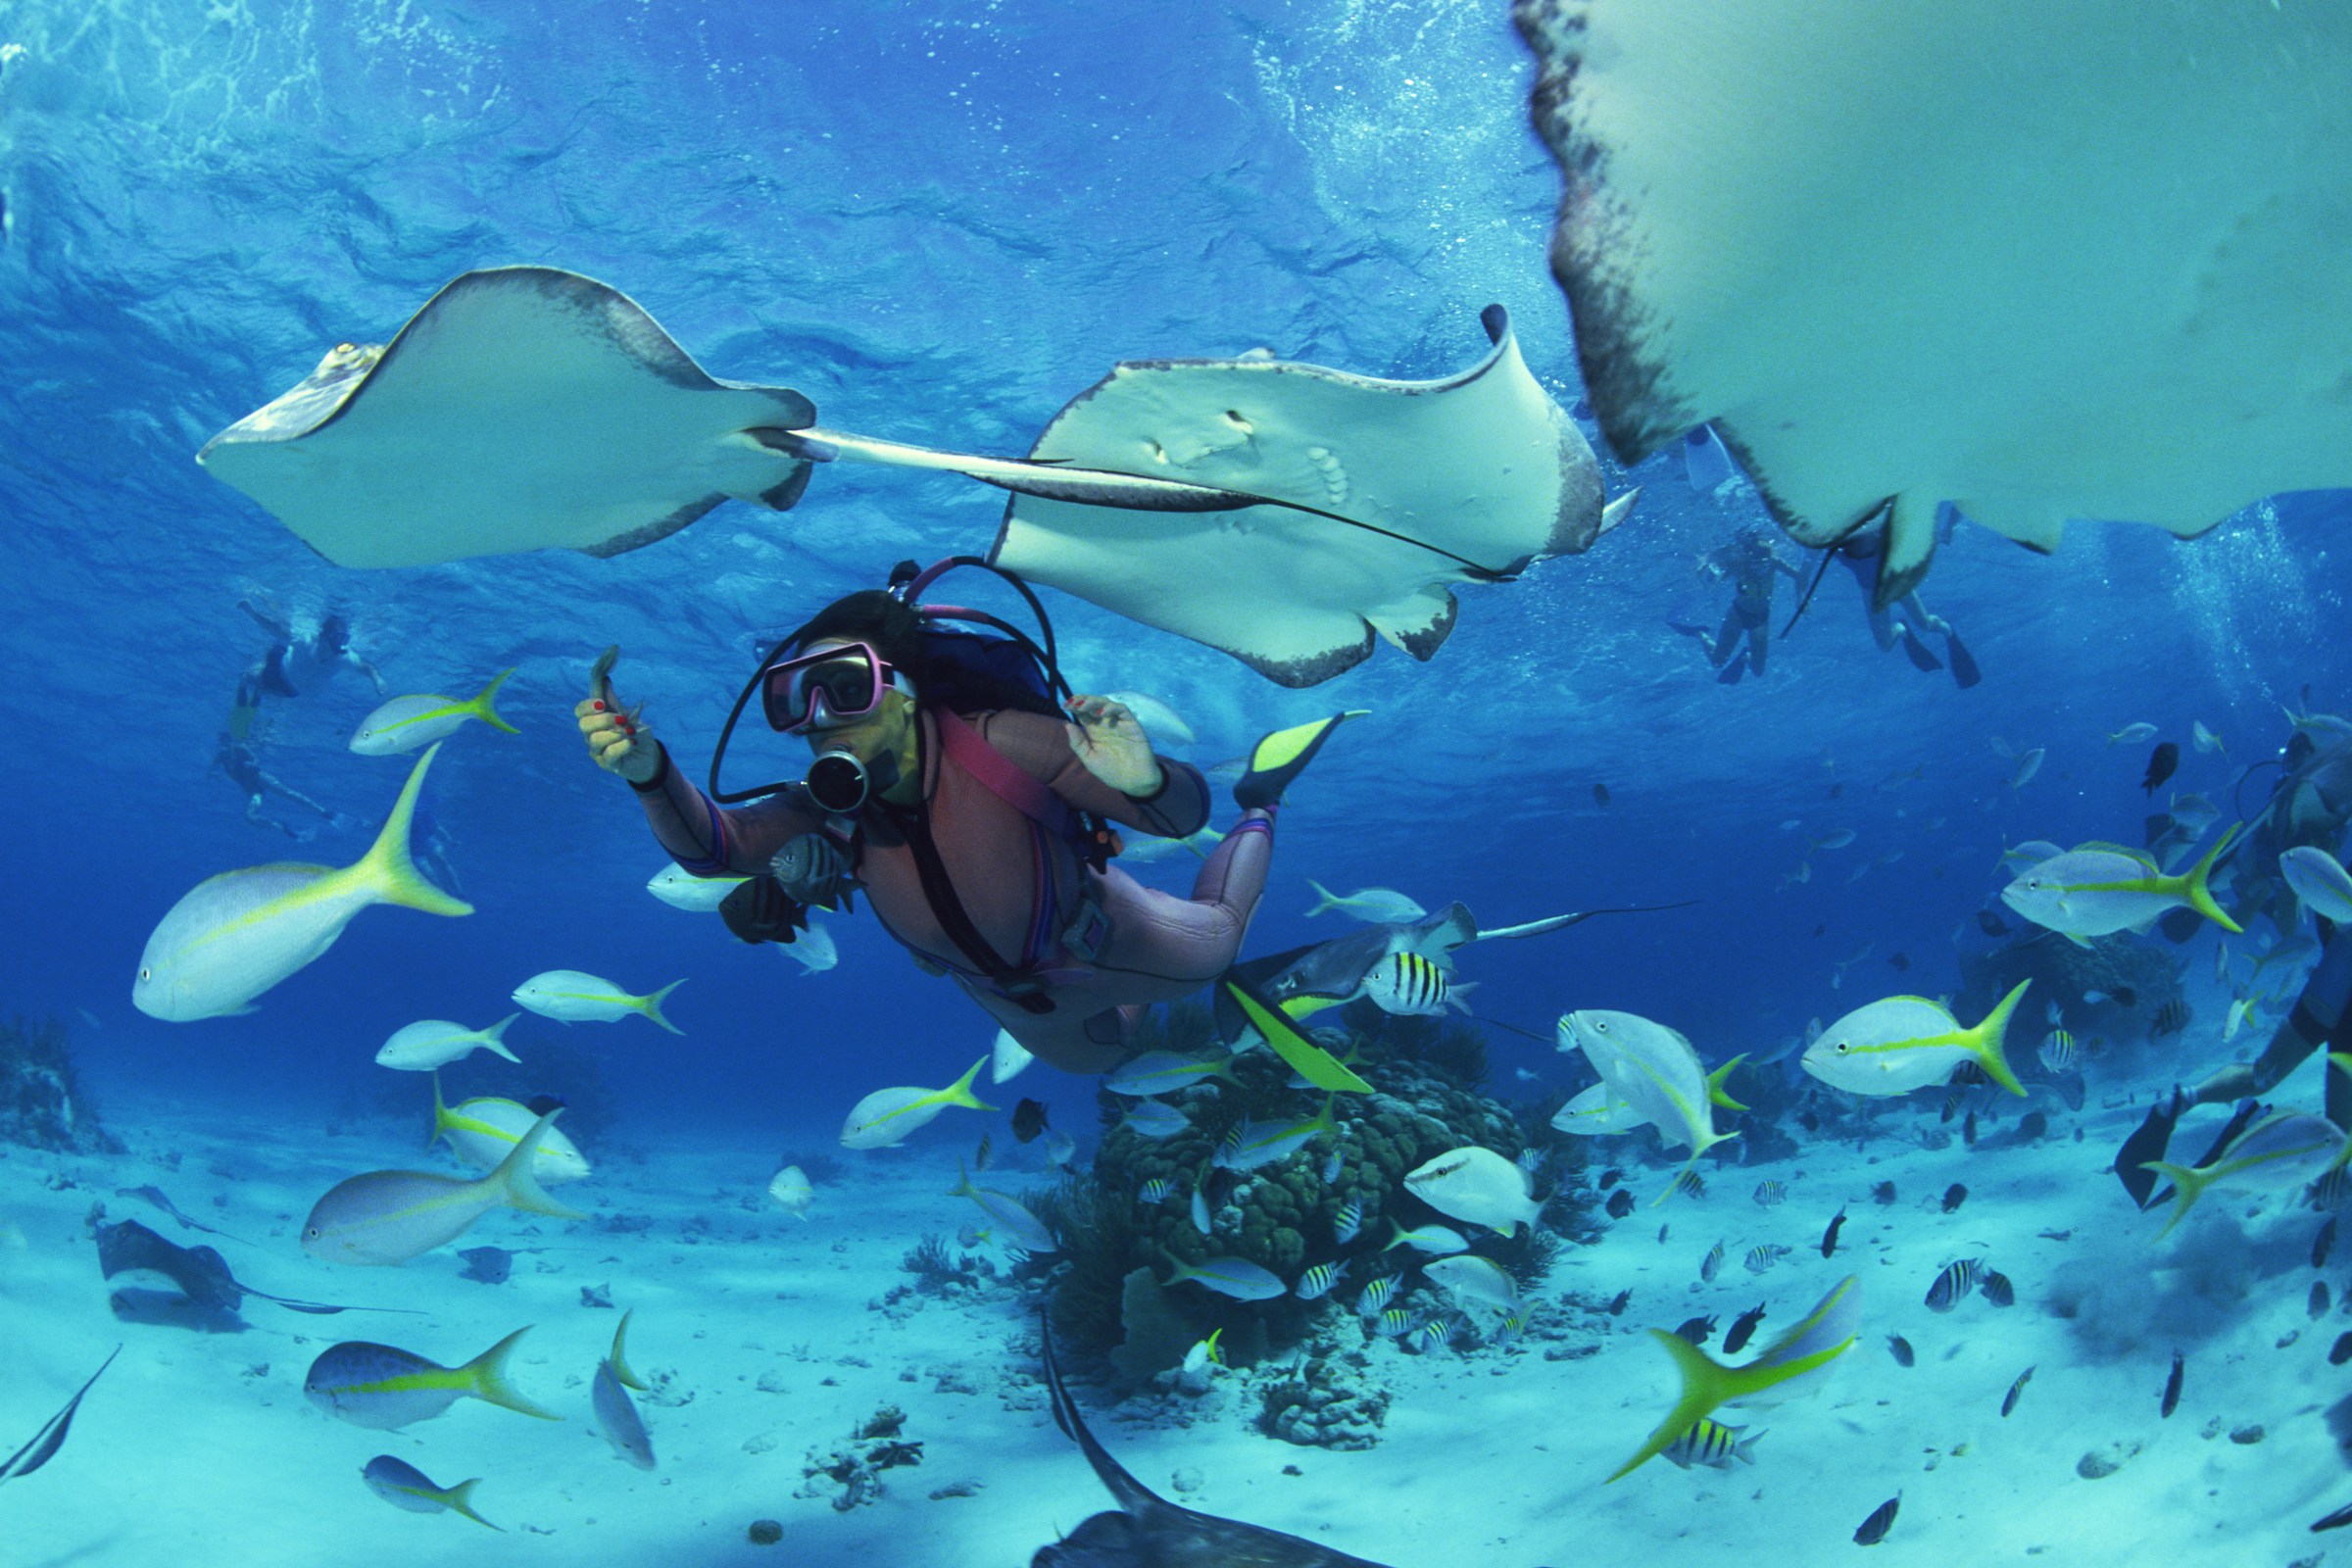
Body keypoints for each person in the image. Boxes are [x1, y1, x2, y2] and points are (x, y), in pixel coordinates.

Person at [575, 565, 1348, 1075]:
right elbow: (719, 850)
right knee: (1108, 1061)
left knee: (1218, 944)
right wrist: (649, 773)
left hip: (1113, 944)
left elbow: (1181, 818)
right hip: (1007, 1001)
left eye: (845, 689)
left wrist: (1145, 777)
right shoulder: (830, 808)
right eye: (794, 702)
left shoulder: (1002, 743)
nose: (820, 722)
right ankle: (1129, 1024)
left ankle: (1265, 801)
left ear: (905, 688)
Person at [2113, 922, 2352, 1210]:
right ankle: (2293, 1168)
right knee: (2336, 1134)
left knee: (2263, 1073)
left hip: (2335, 974)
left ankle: (2183, 1100)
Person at [1828, 512, 1980, 688]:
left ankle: (1947, 630)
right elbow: (1808, 562)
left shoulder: (1878, 524)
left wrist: (1948, 528)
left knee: (1926, 624)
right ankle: (1901, 629)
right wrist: (1799, 582)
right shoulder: (1833, 540)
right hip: (1872, 592)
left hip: (1897, 580)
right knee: (1884, 645)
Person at [213, 673, 341, 837]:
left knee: (288, 793)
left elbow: (254, 759)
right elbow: (212, 769)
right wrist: (214, 773)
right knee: (250, 816)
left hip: (261, 779)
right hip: (254, 790)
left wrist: (250, 764)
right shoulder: (222, 755)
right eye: (223, 743)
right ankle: (284, 829)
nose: (225, 746)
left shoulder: (239, 747)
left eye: (226, 742)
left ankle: (323, 811)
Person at [1672, 527, 1799, 683]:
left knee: (1758, 671)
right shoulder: (1738, 562)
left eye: (1765, 561)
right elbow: (1709, 556)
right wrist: (1703, 565)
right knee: (1717, 662)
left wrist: (1801, 597)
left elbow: (1798, 576)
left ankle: (1745, 657)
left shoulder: (1774, 562)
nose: (1761, 566)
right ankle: (1700, 633)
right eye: (1757, 562)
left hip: (1761, 618)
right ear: (1749, 555)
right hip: (1738, 614)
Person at [239, 599, 386, 702]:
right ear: (323, 636)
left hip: (291, 690)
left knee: (270, 695)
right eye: (336, 637)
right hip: (277, 669)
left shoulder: (344, 657)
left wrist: (377, 679)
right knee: (248, 677)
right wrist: (252, 612)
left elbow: (367, 667)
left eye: (344, 639)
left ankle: (260, 695)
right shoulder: (306, 641)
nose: (339, 644)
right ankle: (249, 681)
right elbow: (275, 628)